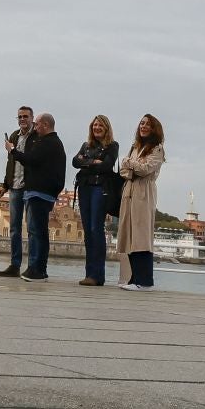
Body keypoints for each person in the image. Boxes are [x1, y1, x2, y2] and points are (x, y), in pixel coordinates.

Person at [7, 112, 65, 282]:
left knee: (36, 232)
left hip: (39, 193)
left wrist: (12, 151)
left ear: (45, 125)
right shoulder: (54, 143)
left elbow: (30, 159)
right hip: (44, 193)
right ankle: (39, 269)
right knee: (39, 232)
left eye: (37, 124)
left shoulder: (47, 143)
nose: (35, 127)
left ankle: (36, 270)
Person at [116, 115, 166, 291]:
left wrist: (131, 164)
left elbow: (146, 170)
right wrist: (132, 167)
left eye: (148, 124)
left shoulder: (157, 149)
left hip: (144, 193)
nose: (143, 126)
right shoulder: (135, 147)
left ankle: (145, 281)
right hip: (129, 192)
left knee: (141, 235)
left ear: (154, 129)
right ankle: (134, 278)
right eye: (142, 123)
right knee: (130, 234)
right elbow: (123, 171)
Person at [72, 114, 119, 286]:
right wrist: (93, 162)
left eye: (100, 125)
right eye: (94, 125)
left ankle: (97, 274)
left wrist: (86, 162)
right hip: (84, 188)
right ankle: (89, 274)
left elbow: (107, 165)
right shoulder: (86, 145)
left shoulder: (112, 146)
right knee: (87, 231)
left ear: (106, 128)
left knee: (95, 229)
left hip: (100, 188)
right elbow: (74, 162)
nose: (97, 128)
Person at [0, 106, 36, 278]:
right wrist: (5, 185)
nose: (22, 119)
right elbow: (10, 163)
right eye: (20, 117)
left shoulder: (37, 136)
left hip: (30, 187)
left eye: (26, 116)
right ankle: (15, 265)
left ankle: (33, 266)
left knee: (32, 228)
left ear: (32, 118)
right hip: (14, 187)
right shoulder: (14, 136)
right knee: (14, 228)